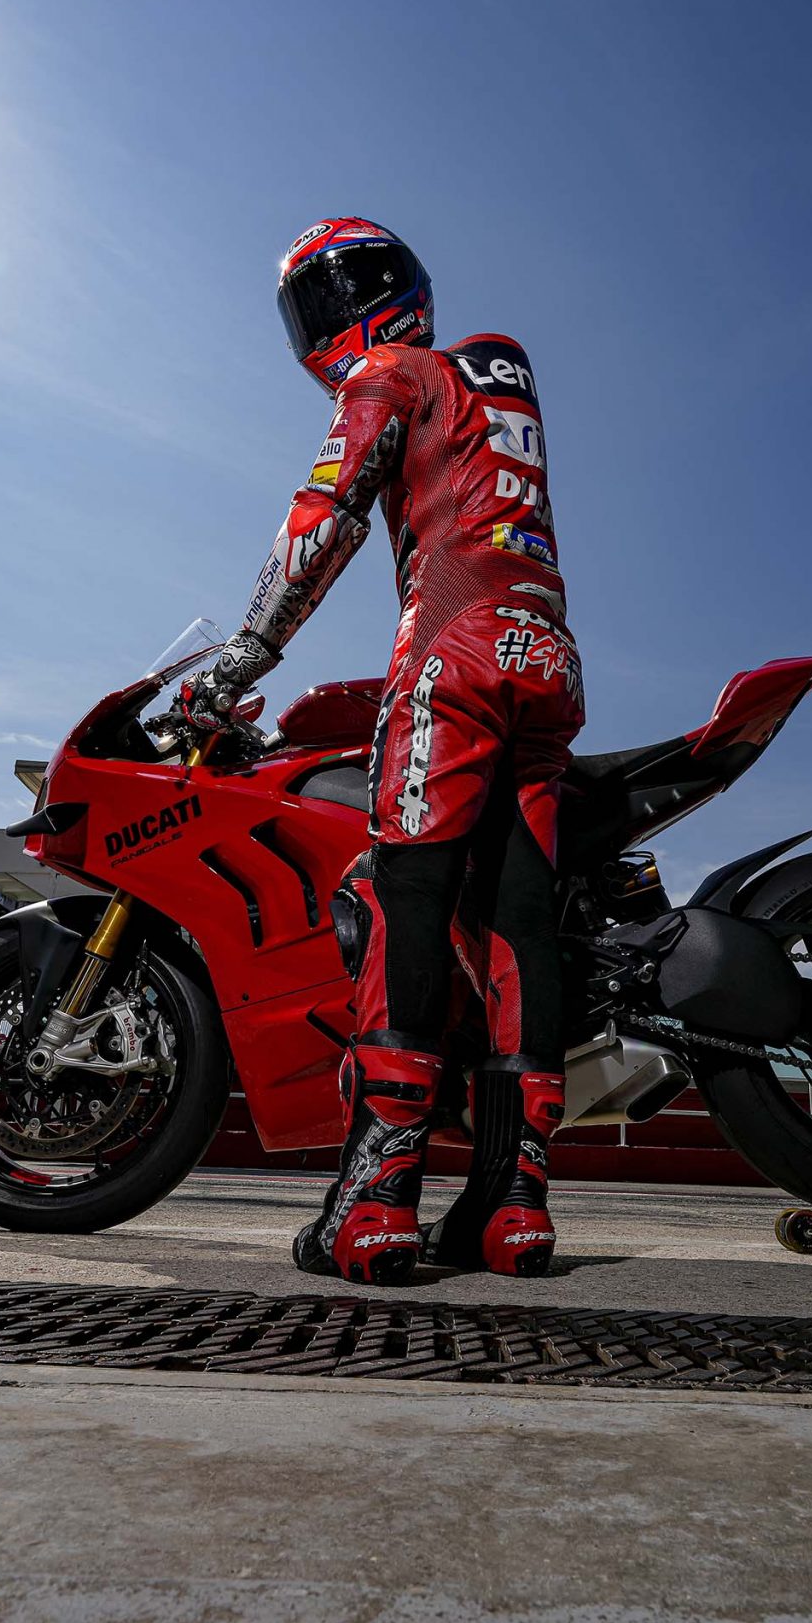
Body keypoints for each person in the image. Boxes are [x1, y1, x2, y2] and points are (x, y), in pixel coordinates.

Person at [175, 216, 583, 1285]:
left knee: (404, 891)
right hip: (547, 656)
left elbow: (327, 513)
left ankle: (376, 1204)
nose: (333, 316)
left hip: (451, 650)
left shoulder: (390, 373)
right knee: (517, 919)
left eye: (335, 292)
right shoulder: (499, 378)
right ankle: (512, 1209)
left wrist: (243, 653)